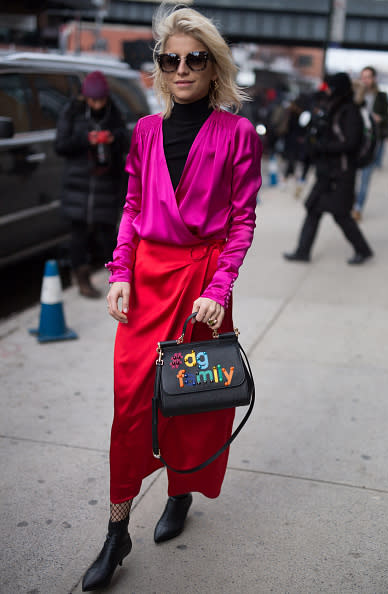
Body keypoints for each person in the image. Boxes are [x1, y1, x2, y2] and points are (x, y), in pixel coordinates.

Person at [81, 6, 262, 591]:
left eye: (194, 58)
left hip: (203, 285)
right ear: (158, 68)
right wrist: (120, 272)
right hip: (150, 284)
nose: (181, 68)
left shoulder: (236, 134)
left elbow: (241, 221)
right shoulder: (144, 133)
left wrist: (219, 287)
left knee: (192, 400)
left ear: (213, 67)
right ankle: (116, 529)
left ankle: (181, 490)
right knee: (132, 403)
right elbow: (133, 208)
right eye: (170, 59)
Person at [283, 72, 373, 266]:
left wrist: (322, 146)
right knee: (313, 209)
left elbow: (351, 144)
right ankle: (302, 251)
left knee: (341, 215)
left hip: (341, 173)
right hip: (327, 172)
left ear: (339, 88)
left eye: (330, 87)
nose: (328, 90)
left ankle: (363, 250)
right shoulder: (333, 107)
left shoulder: (350, 111)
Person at [55, 70, 128, 298]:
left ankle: (119, 278)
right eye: (93, 100)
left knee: (108, 234)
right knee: (78, 235)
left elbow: (126, 141)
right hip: (78, 183)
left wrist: (112, 138)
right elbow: (60, 145)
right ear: (85, 97)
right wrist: (86, 139)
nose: (97, 105)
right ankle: (82, 278)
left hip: (106, 183)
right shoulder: (72, 111)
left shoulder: (114, 112)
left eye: (101, 100)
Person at [352, 66, 388, 221]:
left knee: (366, 176)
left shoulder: (381, 96)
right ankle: (352, 202)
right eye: (363, 77)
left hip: (373, 139)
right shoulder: (356, 94)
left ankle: (358, 207)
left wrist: (379, 118)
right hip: (356, 139)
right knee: (352, 175)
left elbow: (387, 118)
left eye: (368, 77)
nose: (365, 80)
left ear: (374, 78)